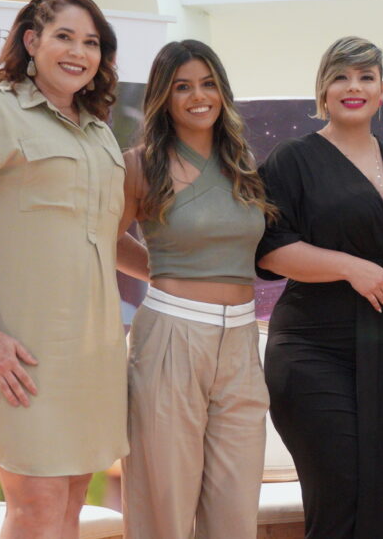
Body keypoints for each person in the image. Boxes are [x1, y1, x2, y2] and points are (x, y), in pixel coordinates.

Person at [0, 0, 128, 538]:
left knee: (68, 507)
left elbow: (106, 236)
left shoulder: (100, 133)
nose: (78, 52)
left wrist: (178, 276)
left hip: (92, 352)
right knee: (35, 507)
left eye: (91, 43)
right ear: (31, 41)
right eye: (64, 36)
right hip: (19, 350)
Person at [255, 36, 383, 538]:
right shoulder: (292, 159)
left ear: (382, 91)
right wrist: (349, 266)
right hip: (318, 350)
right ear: (322, 91)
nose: (353, 87)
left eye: (365, 77)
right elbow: (270, 249)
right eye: (341, 77)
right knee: (341, 491)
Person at [119, 40, 275, 538]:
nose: (198, 96)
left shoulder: (244, 165)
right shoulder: (141, 165)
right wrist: (163, 275)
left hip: (241, 344)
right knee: (164, 503)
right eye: (182, 87)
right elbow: (106, 240)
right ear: (164, 97)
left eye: (208, 84)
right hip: (171, 336)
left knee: (235, 507)